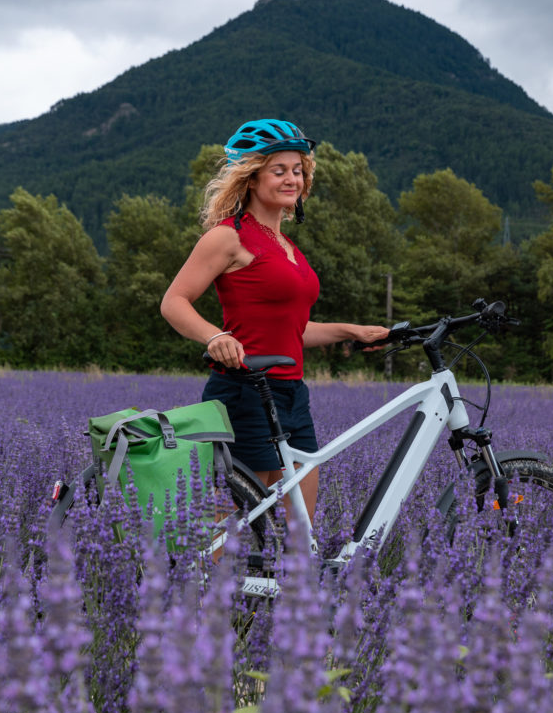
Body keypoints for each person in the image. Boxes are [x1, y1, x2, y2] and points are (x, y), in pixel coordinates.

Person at [160, 119, 389, 522]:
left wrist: (350, 331)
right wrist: (215, 337)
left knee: (300, 528)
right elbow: (174, 302)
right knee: (228, 526)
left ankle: (289, 587)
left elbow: (292, 332)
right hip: (245, 392)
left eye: (298, 171)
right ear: (251, 177)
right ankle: (200, 584)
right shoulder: (228, 236)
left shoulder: (288, 248)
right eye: (278, 170)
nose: (292, 179)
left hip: (292, 395)